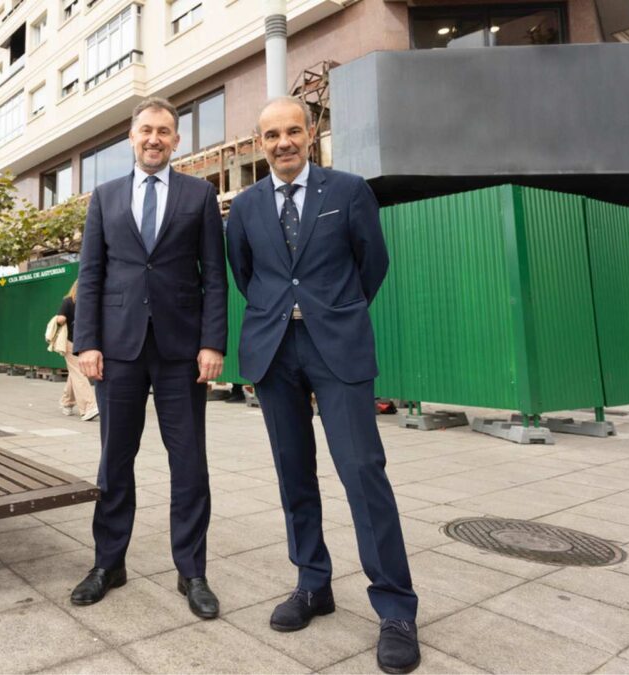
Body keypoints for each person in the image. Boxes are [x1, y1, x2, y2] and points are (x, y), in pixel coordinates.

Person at [225, 97, 419, 674]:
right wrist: (281, 314)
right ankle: (313, 583)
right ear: (259, 144)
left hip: (337, 346)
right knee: (294, 473)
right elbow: (246, 274)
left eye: (292, 131)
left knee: (362, 471)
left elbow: (372, 264)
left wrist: (333, 311)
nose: (283, 142)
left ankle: (395, 608)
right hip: (274, 349)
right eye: (271, 135)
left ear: (310, 134)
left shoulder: (349, 191)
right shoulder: (245, 206)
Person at [70, 98, 227, 619]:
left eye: (163, 131)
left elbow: (214, 276)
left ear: (176, 140)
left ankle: (192, 572)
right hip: (118, 350)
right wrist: (87, 342)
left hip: (182, 351)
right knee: (114, 461)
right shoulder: (105, 197)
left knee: (189, 464)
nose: (154, 138)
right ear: (131, 137)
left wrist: (213, 343)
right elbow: (91, 274)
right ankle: (108, 564)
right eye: (145, 130)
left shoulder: (200, 195)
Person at [56, 281, 99, 421]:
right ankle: (89, 407)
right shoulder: (86, 302)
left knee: (75, 373)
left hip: (74, 341)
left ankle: (66, 402)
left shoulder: (68, 301)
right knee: (79, 373)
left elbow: (60, 319)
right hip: (79, 343)